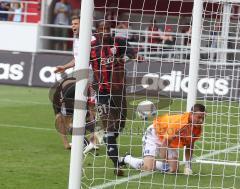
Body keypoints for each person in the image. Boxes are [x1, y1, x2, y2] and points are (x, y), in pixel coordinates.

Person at [119, 104, 206, 175]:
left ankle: (150, 162)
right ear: (191, 114)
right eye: (199, 117)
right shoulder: (179, 123)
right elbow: (165, 142)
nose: (201, 120)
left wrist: (188, 166)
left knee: (173, 170)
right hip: (154, 134)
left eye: (203, 117)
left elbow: (189, 146)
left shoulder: (197, 129)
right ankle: (126, 158)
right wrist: (165, 158)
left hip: (169, 140)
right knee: (148, 169)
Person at [54, 15, 98, 152]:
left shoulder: (92, 40)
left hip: (90, 75)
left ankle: (94, 141)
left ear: (83, 24)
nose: (73, 26)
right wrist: (65, 67)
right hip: (77, 75)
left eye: (76, 23)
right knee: (76, 106)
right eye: (72, 24)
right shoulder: (76, 40)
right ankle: (81, 139)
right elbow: (76, 58)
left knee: (91, 107)